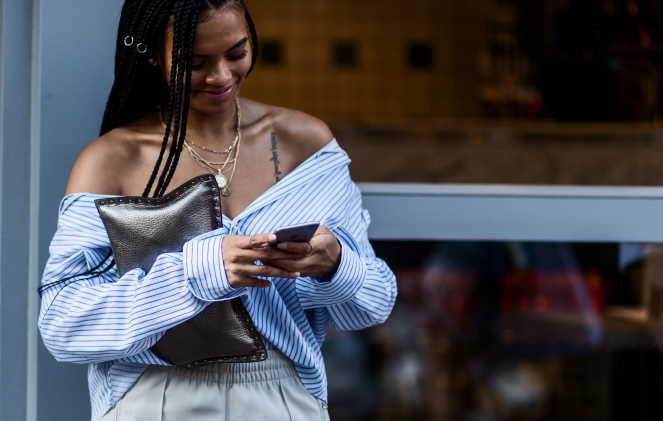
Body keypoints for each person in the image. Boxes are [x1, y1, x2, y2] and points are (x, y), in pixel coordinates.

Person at [37, 1, 397, 420]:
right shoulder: (113, 160)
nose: (222, 76)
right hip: (157, 397)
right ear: (154, 55)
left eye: (236, 53)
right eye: (196, 63)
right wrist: (199, 273)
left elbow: (373, 304)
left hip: (282, 394)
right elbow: (64, 325)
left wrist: (333, 264)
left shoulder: (305, 143)